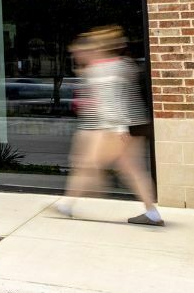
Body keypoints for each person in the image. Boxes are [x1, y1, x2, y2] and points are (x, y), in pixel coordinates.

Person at [54, 25, 163, 226]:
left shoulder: (101, 69)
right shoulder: (123, 64)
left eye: (78, 52)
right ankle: (152, 213)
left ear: (94, 49)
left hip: (117, 128)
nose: (76, 56)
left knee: (87, 164)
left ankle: (67, 204)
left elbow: (112, 100)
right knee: (132, 170)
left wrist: (119, 127)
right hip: (134, 125)